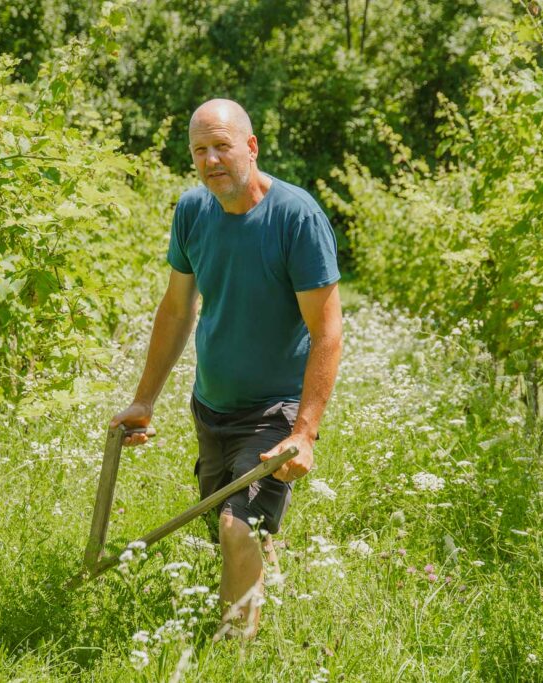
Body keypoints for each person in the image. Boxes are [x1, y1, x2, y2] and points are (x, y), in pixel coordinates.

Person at [109, 98, 342, 638]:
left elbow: (327, 330)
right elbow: (176, 308)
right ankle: (267, 572)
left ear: (251, 147)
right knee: (229, 528)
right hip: (211, 406)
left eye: (221, 145)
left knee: (237, 527)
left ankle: (232, 653)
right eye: (199, 150)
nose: (210, 159)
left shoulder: (296, 217)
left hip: (274, 408)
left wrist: (305, 433)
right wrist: (144, 400)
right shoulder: (193, 211)